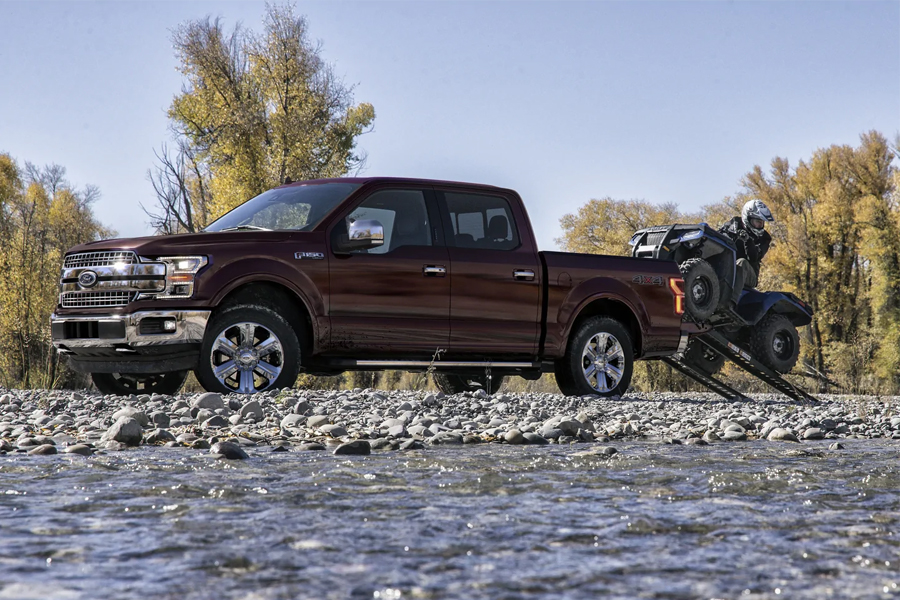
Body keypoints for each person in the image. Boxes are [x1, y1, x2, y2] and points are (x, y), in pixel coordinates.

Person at [719, 199, 774, 292]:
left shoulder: (764, 238)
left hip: (749, 275)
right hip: (727, 267)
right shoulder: (732, 225)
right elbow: (718, 237)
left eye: (761, 222)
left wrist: (748, 241)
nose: (760, 225)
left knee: (742, 263)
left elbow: (754, 258)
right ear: (748, 218)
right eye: (757, 221)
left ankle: (730, 304)